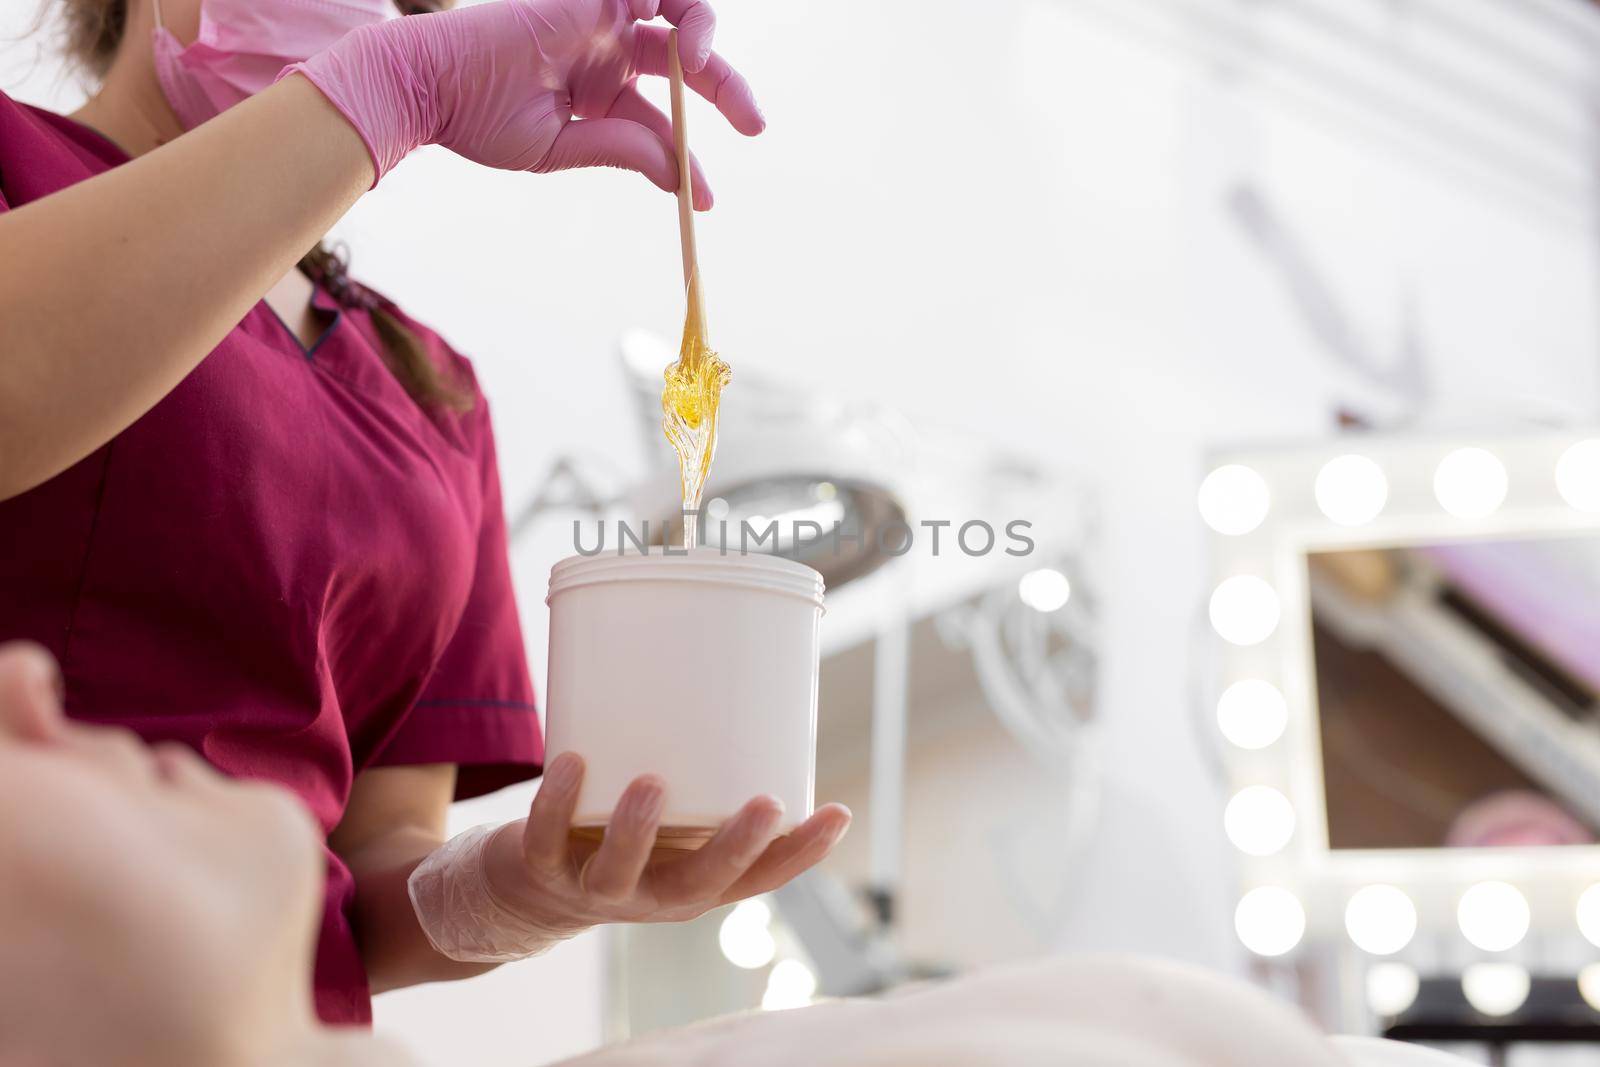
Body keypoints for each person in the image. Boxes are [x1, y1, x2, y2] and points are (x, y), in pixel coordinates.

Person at [0, 0, 851, 1026]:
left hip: (257, 1034)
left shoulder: (430, 396)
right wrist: (388, 91)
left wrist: (516, 892)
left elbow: (370, 861)